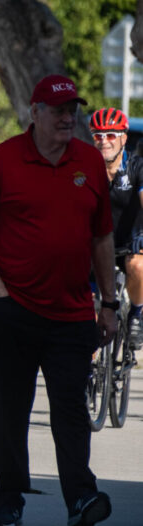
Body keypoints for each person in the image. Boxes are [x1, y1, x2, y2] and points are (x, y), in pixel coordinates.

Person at [0, 75, 114, 526]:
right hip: (14, 311)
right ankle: (8, 500)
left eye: (73, 110)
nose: (69, 118)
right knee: (11, 410)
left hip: (71, 314)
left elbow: (102, 235)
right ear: (35, 112)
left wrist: (109, 302)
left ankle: (81, 499)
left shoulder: (89, 161)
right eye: (59, 110)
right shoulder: (3, 159)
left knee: (70, 408)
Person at [89, 107, 143, 348]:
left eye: (111, 135)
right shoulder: (83, 169)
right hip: (93, 245)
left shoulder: (137, 167)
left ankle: (136, 314)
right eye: (98, 135)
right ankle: (88, 369)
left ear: (124, 138)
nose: (104, 141)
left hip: (130, 241)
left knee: (138, 264)